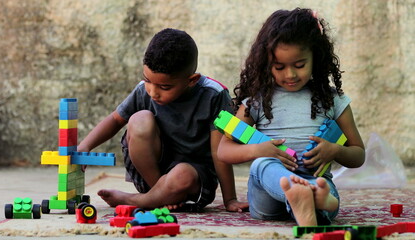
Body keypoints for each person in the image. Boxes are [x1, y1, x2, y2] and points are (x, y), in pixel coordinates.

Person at [217, 8, 365, 226]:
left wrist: (335, 150)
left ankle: (311, 201)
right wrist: (259, 150)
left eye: (299, 65)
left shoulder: (332, 100)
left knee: (323, 188)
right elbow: (223, 150)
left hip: (316, 179)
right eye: (279, 67)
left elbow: (358, 154)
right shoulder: (258, 101)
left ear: (316, 57)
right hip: (267, 193)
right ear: (267, 64)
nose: (290, 74)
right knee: (261, 164)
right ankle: (302, 194)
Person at [77, 28, 248, 213]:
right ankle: (158, 196)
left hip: (190, 181)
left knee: (182, 174)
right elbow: (115, 119)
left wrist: (230, 199)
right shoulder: (144, 90)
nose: (153, 91)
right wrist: (86, 145)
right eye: (147, 80)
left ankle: (136, 201)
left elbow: (218, 150)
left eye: (165, 87)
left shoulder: (214, 95)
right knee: (139, 119)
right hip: (151, 174)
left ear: (191, 80)